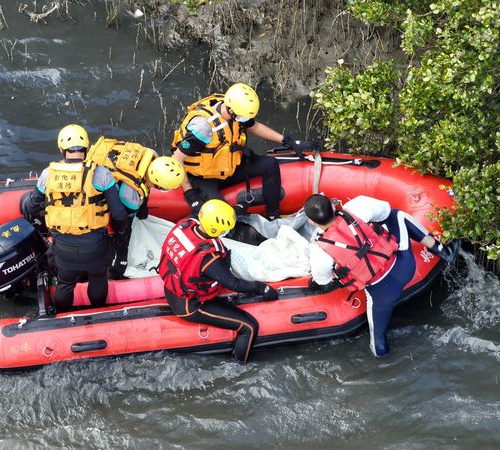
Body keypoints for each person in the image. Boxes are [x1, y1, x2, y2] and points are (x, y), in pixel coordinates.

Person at [304, 194, 459, 357]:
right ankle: (444, 251)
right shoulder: (356, 207)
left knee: (378, 342)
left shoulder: (319, 252)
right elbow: (385, 212)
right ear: (333, 206)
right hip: (405, 266)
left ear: (311, 222)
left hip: (380, 294)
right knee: (397, 215)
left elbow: (324, 280)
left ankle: (383, 362)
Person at [21, 124, 129, 313]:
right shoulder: (101, 173)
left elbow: (31, 205)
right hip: (95, 247)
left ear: (62, 149)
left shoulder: (48, 174)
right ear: (86, 148)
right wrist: (119, 233)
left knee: (65, 282)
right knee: (98, 278)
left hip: (63, 248)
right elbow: (119, 214)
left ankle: (63, 315)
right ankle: (97, 311)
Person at [171, 82, 319, 220]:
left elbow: (254, 126)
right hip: (203, 178)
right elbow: (177, 159)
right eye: (243, 117)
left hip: (228, 168)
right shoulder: (203, 128)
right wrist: (190, 194)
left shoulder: (236, 112)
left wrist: (288, 141)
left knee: (270, 164)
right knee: (221, 216)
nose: (245, 120)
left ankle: (273, 215)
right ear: (230, 109)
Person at [158, 199, 279, 363]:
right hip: (190, 305)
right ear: (214, 228)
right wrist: (261, 288)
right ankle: (239, 366)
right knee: (249, 327)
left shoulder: (188, 225)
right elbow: (233, 283)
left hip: (173, 289)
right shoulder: (208, 257)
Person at [86, 137, 185, 278]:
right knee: (124, 226)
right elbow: (121, 221)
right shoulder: (131, 196)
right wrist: (122, 247)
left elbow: (144, 184)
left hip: (107, 161)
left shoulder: (151, 155)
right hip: (100, 182)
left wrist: (143, 207)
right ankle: (116, 265)